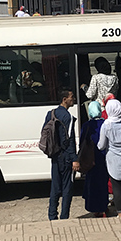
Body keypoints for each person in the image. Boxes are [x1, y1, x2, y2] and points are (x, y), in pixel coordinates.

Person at [45, 88, 79, 221]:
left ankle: (52, 215)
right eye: (71, 97)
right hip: (65, 157)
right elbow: (69, 140)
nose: (73, 99)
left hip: (54, 155)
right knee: (67, 188)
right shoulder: (67, 117)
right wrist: (74, 159)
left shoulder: (51, 113)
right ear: (65, 99)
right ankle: (64, 216)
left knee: (55, 187)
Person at [79, 100, 109, 216]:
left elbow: (82, 142)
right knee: (103, 182)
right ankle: (104, 206)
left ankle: (96, 209)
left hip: (90, 159)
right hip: (104, 157)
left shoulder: (86, 125)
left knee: (92, 183)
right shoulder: (105, 123)